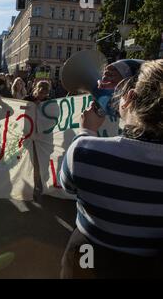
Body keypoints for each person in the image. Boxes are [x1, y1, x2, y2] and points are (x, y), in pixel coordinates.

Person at [59, 59, 163, 279]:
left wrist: (86, 132)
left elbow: (67, 186)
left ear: (130, 98)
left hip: (88, 256)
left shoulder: (84, 150)